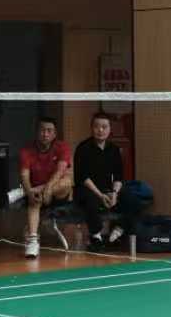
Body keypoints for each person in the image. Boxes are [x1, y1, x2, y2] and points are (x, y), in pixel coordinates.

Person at [17, 116, 73, 259]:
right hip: (36, 195)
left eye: (49, 131)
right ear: (37, 132)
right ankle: (33, 241)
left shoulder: (62, 147)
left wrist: (48, 188)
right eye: (42, 130)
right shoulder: (26, 150)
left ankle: (35, 192)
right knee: (35, 199)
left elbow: (60, 170)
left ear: (54, 134)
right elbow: (24, 176)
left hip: (58, 193)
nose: (45, 134)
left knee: (67, 181)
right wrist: (30, 191)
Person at [72, 111, 125, 245]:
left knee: (133, 196)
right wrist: (100, 195)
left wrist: (114, 193)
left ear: (110, 129)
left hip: (107, 190)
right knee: (90, 199)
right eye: (96, 126)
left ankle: (118, 230)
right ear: (91, 128)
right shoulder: (83, 148)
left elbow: (118, 176)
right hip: (87, 189)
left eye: (104, 127)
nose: (100, 130)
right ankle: (96, 235)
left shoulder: (114, 149)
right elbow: (82, 177)